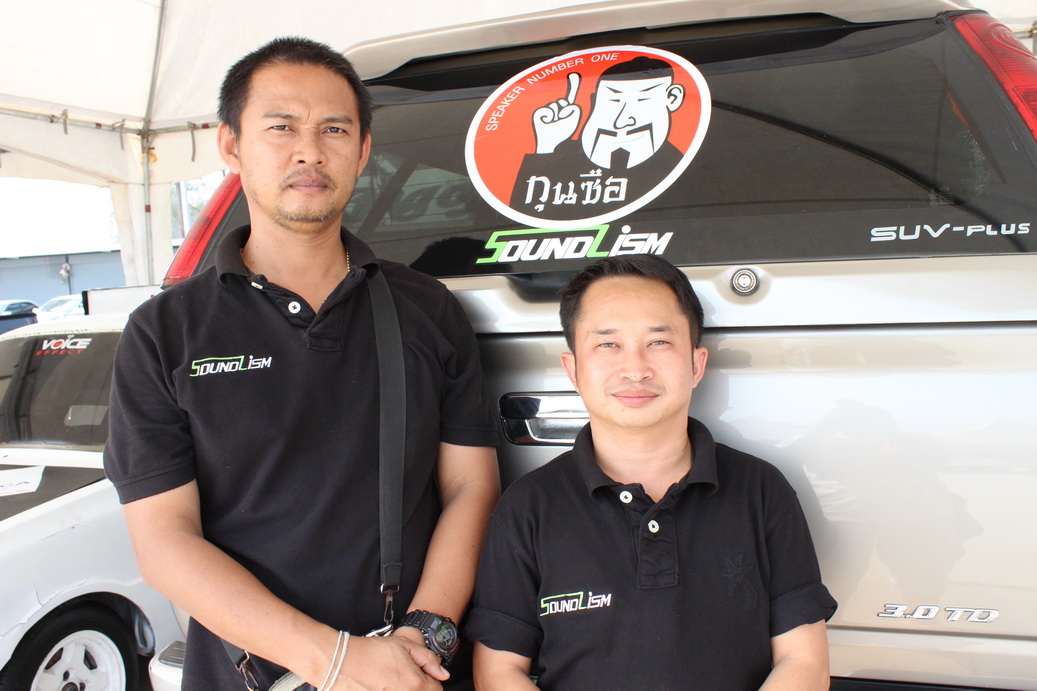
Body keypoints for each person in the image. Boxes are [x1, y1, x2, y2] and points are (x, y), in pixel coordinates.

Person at [103, 37, 500, 690]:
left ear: (363, 151)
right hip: (247, 675)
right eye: (281, 127)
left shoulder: (427, 308)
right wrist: (334, 660)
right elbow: (165, 541)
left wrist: (423, 633)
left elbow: (470, 487)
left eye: (334, 130)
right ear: (231, 145)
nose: (309, 151)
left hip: (411, 670)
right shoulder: (163, 332)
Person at [465, 255, 836, 689]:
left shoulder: (762, 490)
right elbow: (498, 671)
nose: (635, 369)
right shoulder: (529, 506)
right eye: (608, 344)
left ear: (696, 364)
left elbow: (804, 661)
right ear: (573, 369)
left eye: (658, 342)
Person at [509, 57, 686, 221]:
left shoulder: (683, 170)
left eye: (641, 100)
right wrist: (547, 146)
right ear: (594, 101)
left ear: (673, 98)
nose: (621, 121)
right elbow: (521, 220)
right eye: (613, 101)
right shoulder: (564, 160)